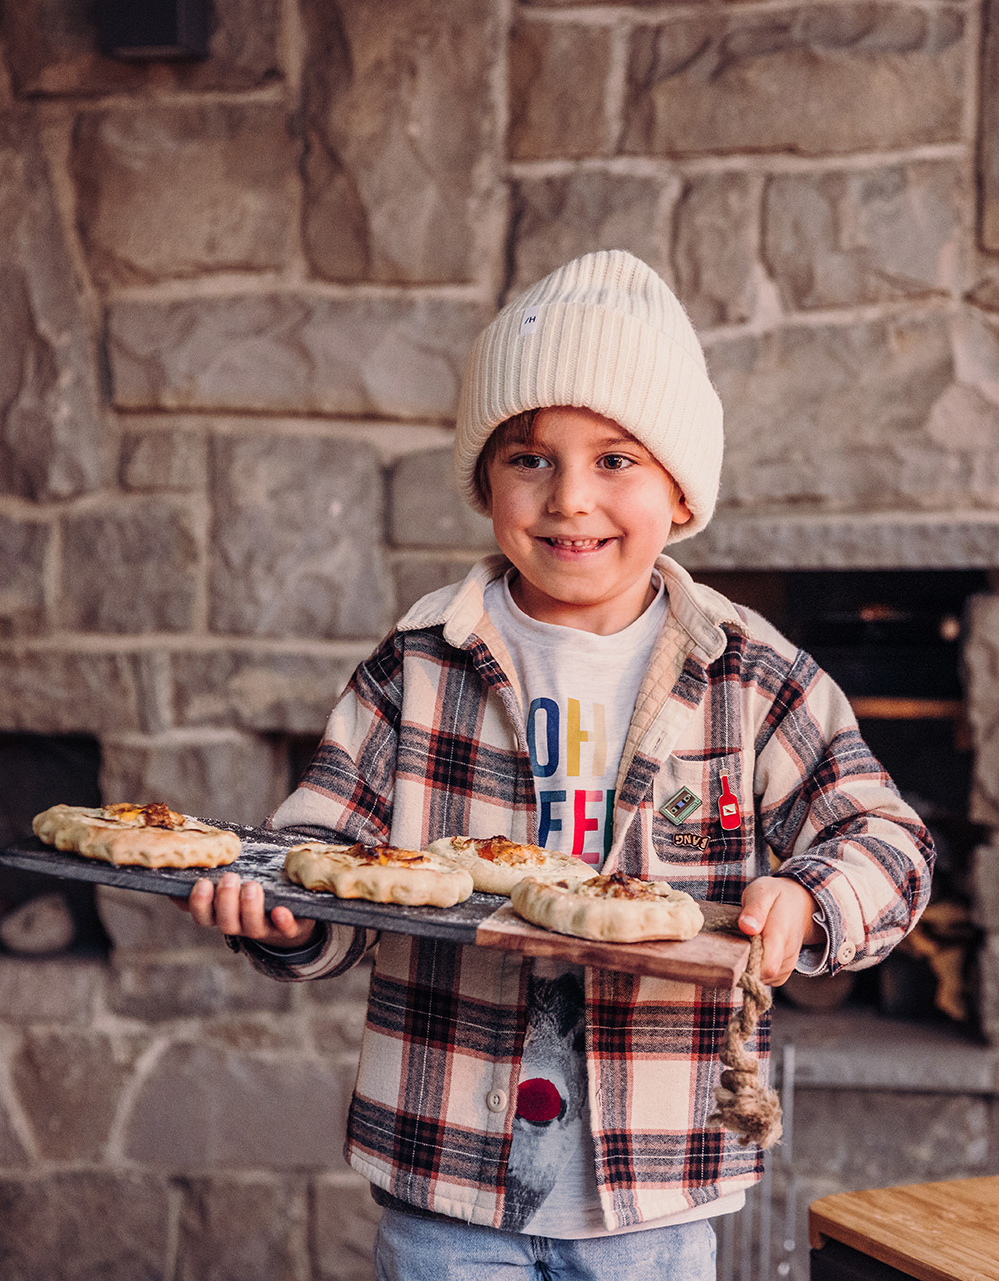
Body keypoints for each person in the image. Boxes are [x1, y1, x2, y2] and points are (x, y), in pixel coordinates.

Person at [184, 249, 934, 1279]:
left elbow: (887, 840)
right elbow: (321, 855)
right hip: (445, 1179)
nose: (569, 498)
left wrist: (809, 900)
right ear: (485, 479)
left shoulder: (750, 675)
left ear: (680, 492)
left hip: (655, 1193)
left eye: (616, 460)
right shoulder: (419, 666)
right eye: (530, 459)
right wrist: (282, 918)